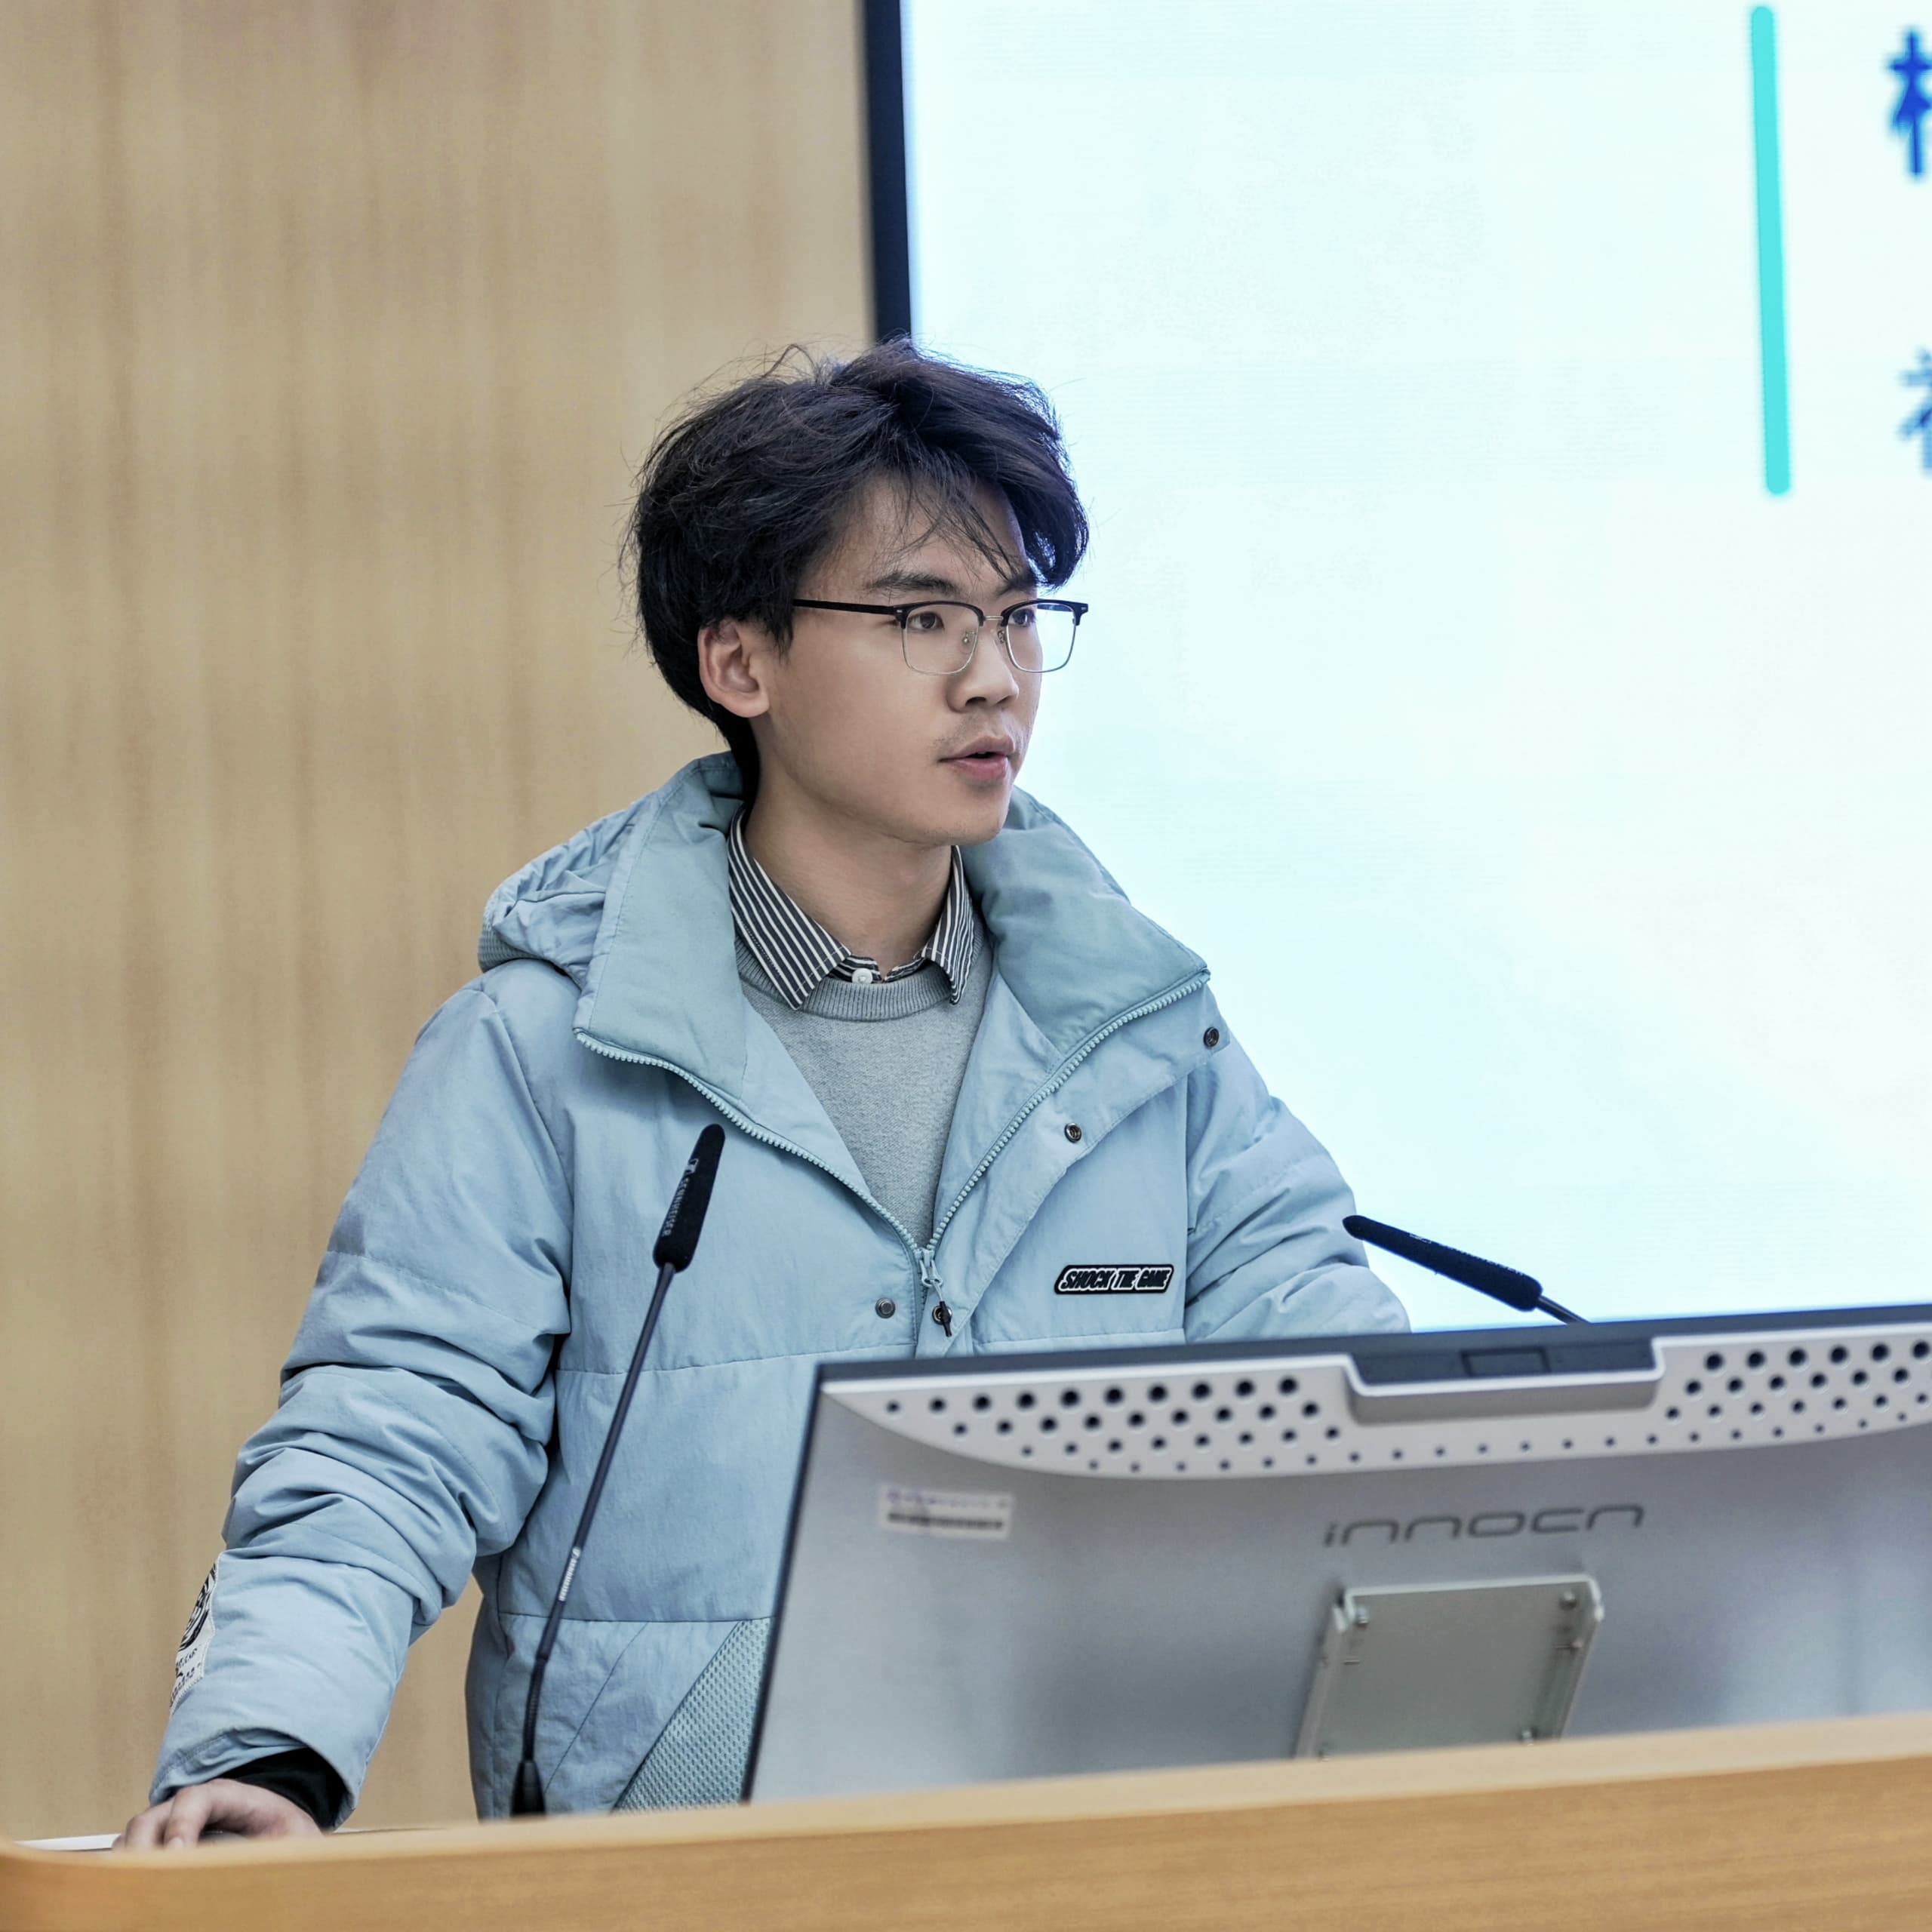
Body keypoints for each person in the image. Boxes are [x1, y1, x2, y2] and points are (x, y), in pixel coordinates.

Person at [120, 342, 1406, 1847]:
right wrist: (267, 1755)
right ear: (741, 664)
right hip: (686, 1873)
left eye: (1015, 617)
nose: (993, 676)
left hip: (1101, 1856)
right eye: (921, 616)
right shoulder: (542, 1052)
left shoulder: (1145, 1043)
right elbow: (384, 1438)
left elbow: (1350, 1404)